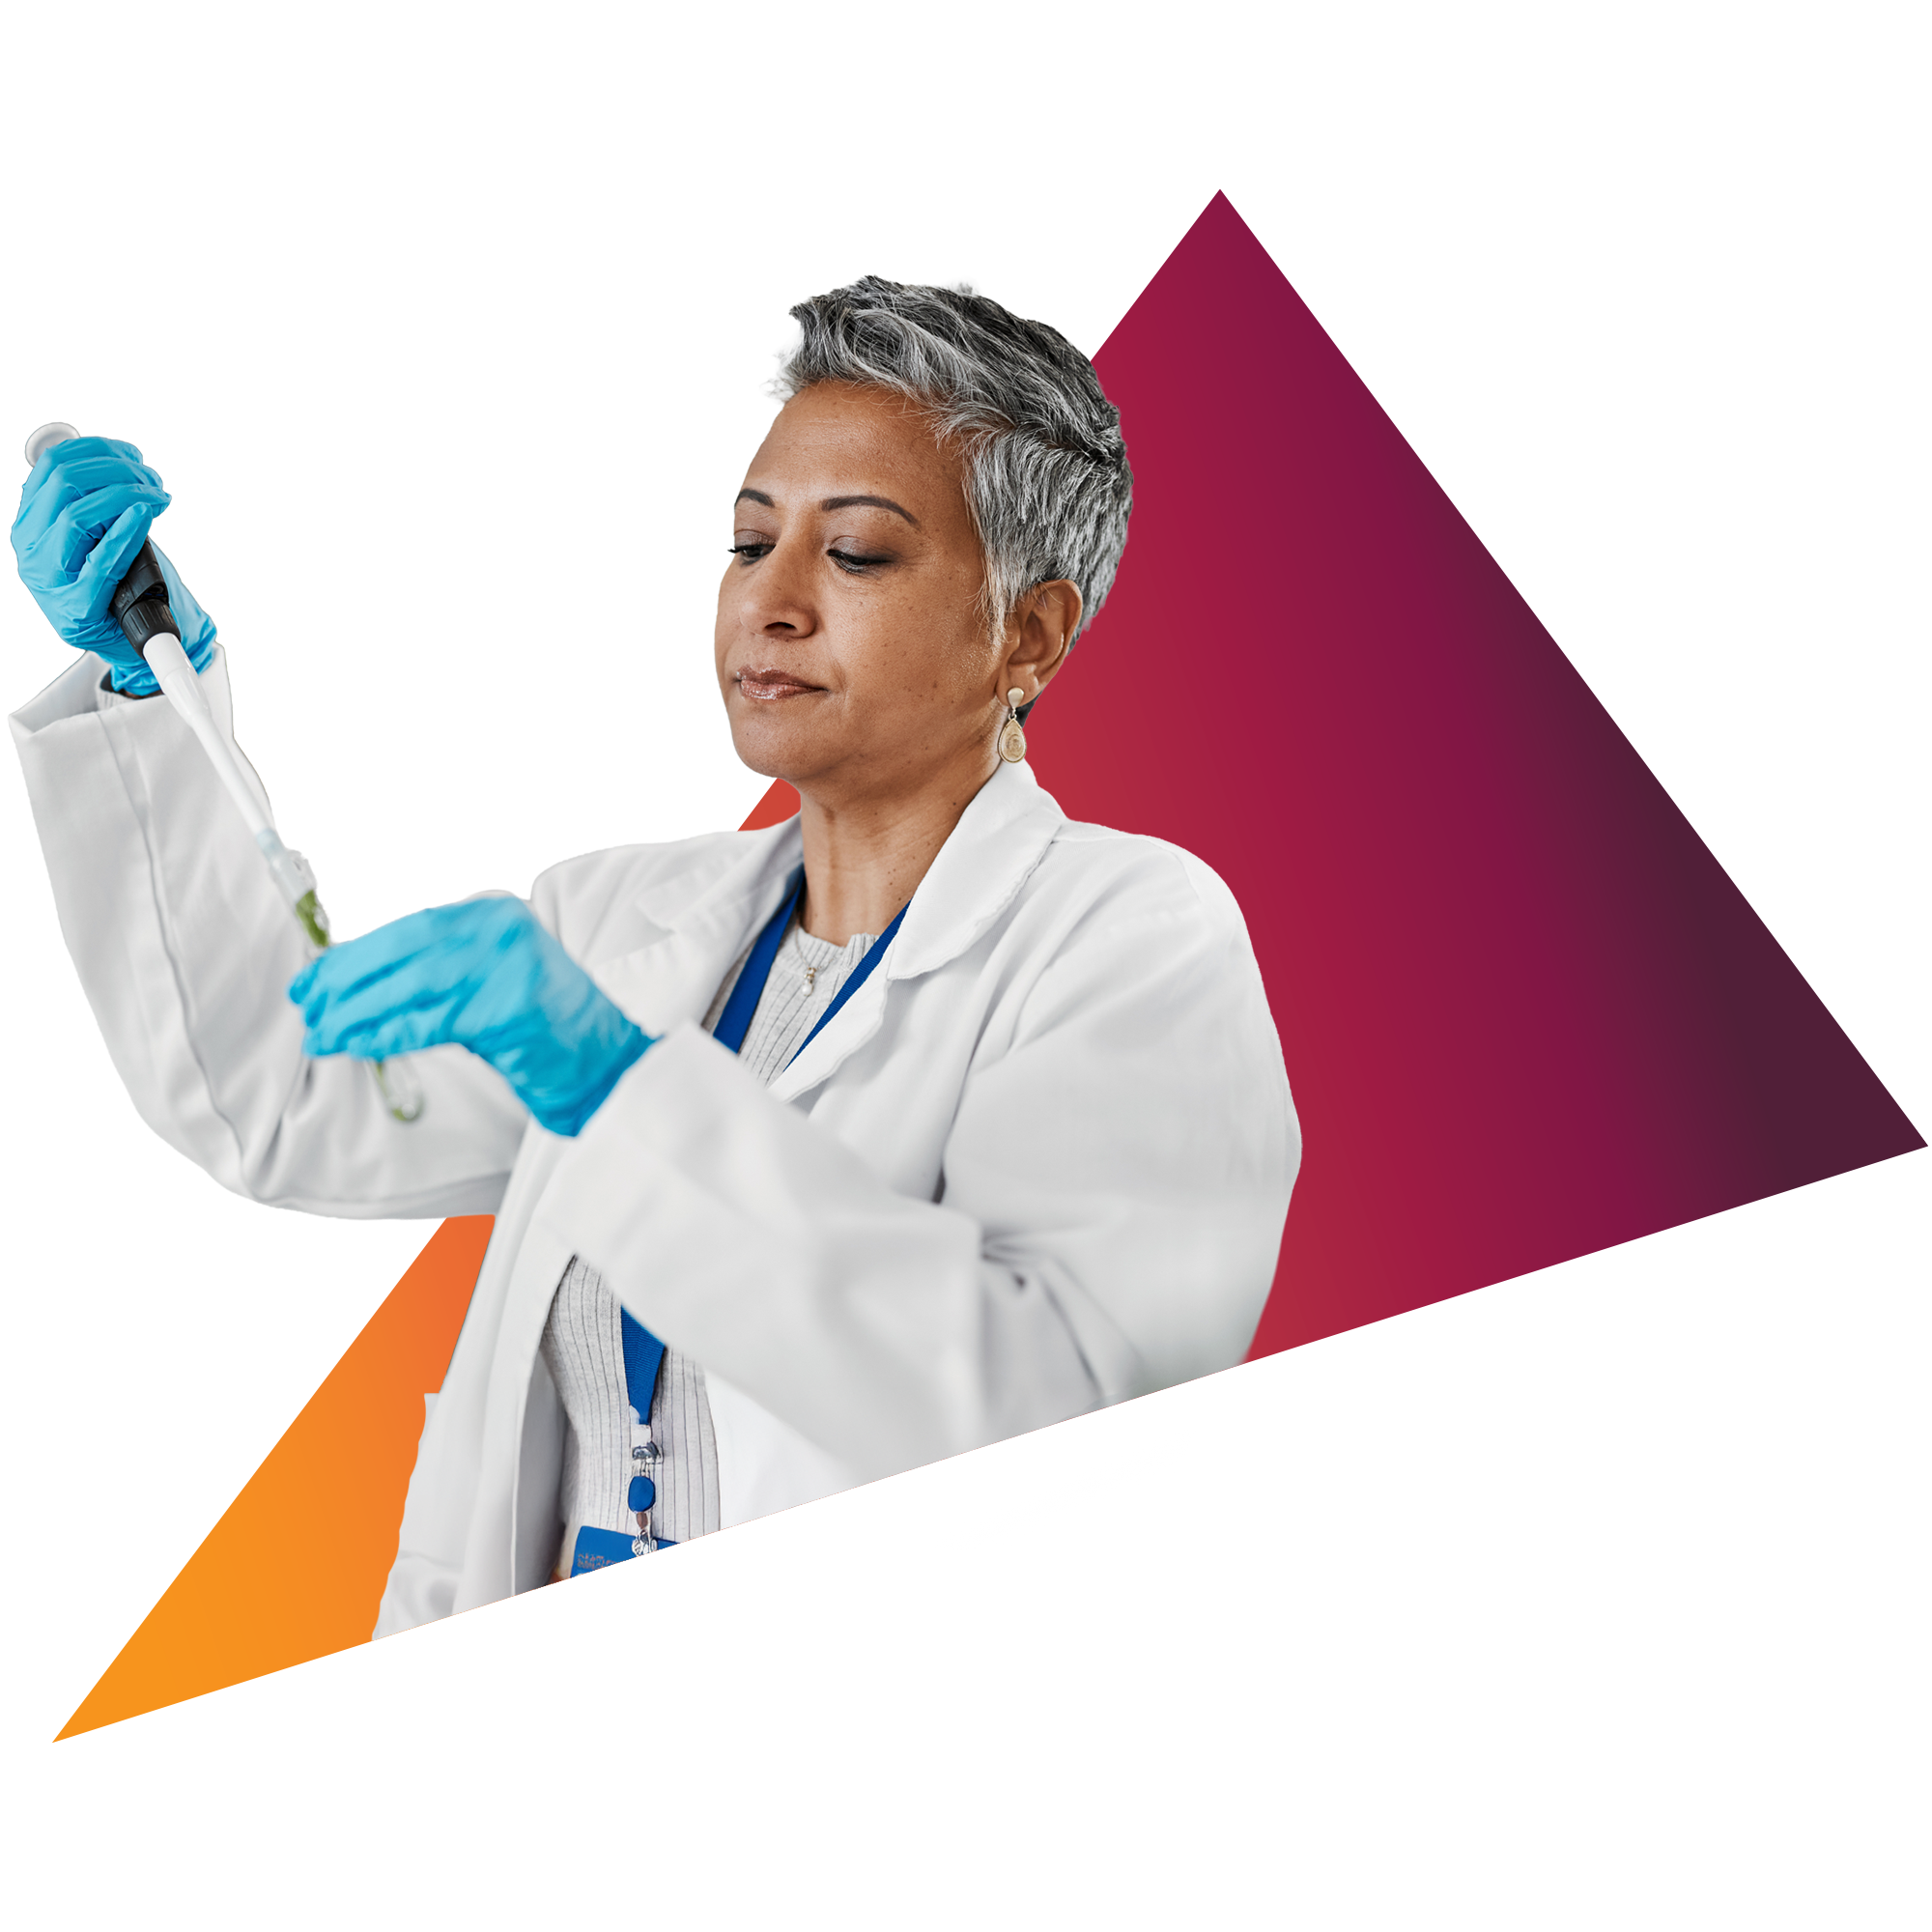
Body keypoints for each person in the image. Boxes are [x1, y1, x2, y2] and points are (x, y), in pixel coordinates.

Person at [10, 276, 1300, 1635]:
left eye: (855, 554)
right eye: (752, 544)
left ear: (1027, 635)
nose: (773, 603)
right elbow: (268, 1102)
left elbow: (1055, 1432)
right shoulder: (630, 922)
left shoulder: (1132, 941)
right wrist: (155, 703)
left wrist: (619, 1094)